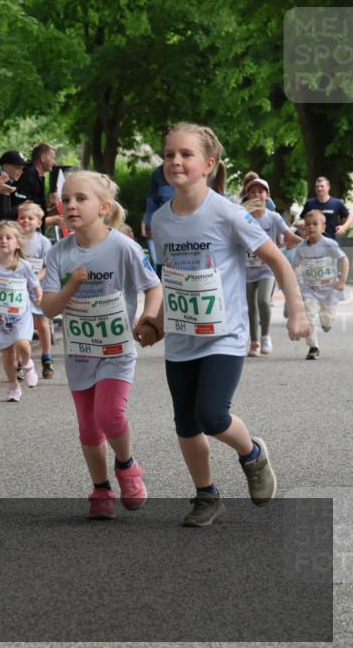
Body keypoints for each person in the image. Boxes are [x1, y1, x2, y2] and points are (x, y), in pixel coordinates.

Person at [146, 122, 310, 527]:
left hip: (225, 336)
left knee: (212, 416)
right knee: (185, 422)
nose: (175, 161)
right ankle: (207, 496)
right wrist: (158, 323)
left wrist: (297, 307)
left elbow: (278, 260)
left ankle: (252, 454)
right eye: (169, 154)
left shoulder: (228, 213)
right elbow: (172, 276)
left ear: (209, 164)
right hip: (183, 337)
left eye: (186, 154)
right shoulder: (162, 220)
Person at [40, 171, 162, 520]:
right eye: (66, 200)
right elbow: (48, 308)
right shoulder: (59, 253)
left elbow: (154, 287)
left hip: (116, 351)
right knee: (88, 426)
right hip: (80, 354)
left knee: (110, 414)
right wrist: (71, 287)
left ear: (104, 207)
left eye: (80, 199)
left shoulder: (122, 246)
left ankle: (127, 466)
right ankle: (101, 487)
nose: (71, 205)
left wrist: (147, 319)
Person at [0, 221, 41, 402]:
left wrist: (39, 297)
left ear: (17, 243)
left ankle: (27, 364)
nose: (4, 241)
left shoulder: (24, 266)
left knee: (22, 343)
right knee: (7, 353)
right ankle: (13, 386)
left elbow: (35, 284)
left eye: (8, 237)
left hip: (21, 315)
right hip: (0, 317)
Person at [241, 177, 302, 357]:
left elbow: (289, 236)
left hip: (266, 269)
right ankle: (254, 342)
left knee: (263, 301)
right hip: (246, 268)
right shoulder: (242, 217)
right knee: (250, 306)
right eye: (252, 192)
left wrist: (313, 244)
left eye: (261, 191)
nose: (256, 195)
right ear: (247, 195)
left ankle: (265, 336)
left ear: (267, 196)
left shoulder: (273, 217)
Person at [292, 210, 349, 360]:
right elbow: (294, 266)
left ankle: (327, 322)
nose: (311, 227)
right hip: (309, 290)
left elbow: (344, 260)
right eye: (307, 225)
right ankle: (313, 347)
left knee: (327, 319)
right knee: (310, 317)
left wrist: (342, 280)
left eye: (315, 224)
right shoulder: (301, 248)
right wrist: (293, 284)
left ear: (323, 227)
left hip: (329, 290)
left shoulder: (329, 244)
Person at [16, 203, 55, 379]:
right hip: (19, 289)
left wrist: (34, 280)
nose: (25, 221)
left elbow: (48, 266)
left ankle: (47, 357)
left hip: (38, 288)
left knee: (42, 323)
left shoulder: (43, 242)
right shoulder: (14, 239)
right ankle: (21, 362)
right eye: (22, 218)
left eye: (30, 218)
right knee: (20, 326)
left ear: (39, 222)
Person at [14, 143, 62, 228]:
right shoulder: (28, 175)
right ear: (43, 158)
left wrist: (52, 211)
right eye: (52, 158)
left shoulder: (39, 177)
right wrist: (54, 219)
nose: (54, 162)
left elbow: (37, 210)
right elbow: (24, 212)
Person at [142, 164, 174, 279]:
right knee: (159, 265)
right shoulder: (158, 174)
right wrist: (149, 224)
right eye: (169, 155)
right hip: (163, 230)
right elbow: (152, 202)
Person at [0, 150, 27, 223]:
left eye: (22, 168)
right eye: (18, 167)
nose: (21, 171)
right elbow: (3, 214)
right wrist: (22, 207)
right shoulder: (1, 183)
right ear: (5, 166)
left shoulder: (8, 182)